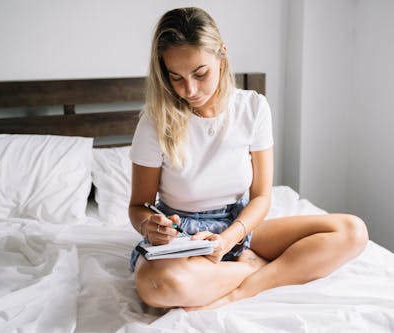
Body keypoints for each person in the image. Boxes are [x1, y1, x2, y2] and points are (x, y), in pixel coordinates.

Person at [128, 6, 368, 310]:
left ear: (221, 55)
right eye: (176, 78)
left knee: (352, 231)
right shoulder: (154, 122)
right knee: (157, 285)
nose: (190, 90)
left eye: (200, 74)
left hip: (239, 224)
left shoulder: (253, 108)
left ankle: (241, 288)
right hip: (183, 236)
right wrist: (151, 226)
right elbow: (139, 206)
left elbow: (261, 198)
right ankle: (252, 267)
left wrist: (228, 239)